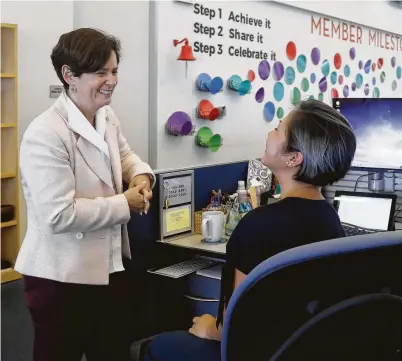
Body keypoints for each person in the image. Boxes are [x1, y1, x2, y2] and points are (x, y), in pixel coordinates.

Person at [144, 99, 357, 361]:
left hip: (257, 350)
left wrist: (210, 328)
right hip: (300, 348)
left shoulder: (257, 225)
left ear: (293, 158)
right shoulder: (329, 218)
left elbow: (236, 325)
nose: (270, 133)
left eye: (278, 129)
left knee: (158, 346)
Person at [15, 28, 155, 361]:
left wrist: (139, 175)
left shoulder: (105, 117)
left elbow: (124, 155)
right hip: (60, 277)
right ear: (69, 75)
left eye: (114, 70)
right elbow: (58, 215)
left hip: (109, 265)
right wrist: (126, 203)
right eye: (101, 72)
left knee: (111, 350)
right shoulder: (45, 133)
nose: (112, 80)